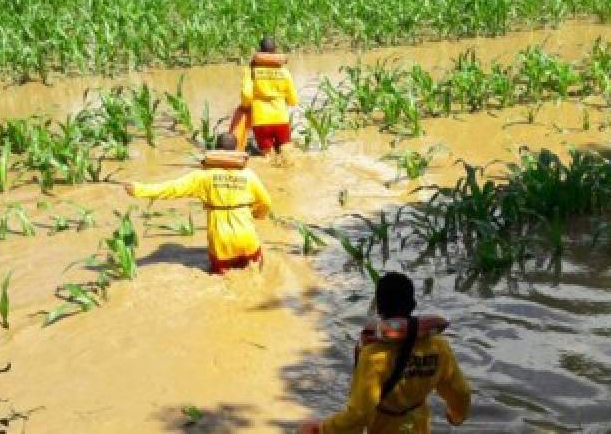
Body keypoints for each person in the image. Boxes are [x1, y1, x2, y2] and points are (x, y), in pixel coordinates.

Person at [298, 272, 472, 434]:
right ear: (412, 305)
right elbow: (461, 392)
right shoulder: (439, 347)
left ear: (379, 307)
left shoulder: (374, 355)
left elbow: (359, 415)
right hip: (419, 426)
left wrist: (321, 429)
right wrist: (456, 415)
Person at [123, 134, 271, 273]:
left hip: (221, 241)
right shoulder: (249, 175)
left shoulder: (202, 177)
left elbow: (171, 189)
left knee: (224, 279)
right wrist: (257, 214)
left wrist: (139, 189)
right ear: (236, 150)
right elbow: (266, 202)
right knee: (256, 272)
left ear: (216, 150)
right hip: (247, 237)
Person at [231, 35, 299, 155]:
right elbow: (293, 99)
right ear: (275, 52)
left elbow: (246, 94)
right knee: (286, 154)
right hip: (281, 118)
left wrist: (245, 107)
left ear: (260, 51)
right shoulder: (284, 71)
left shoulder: (251, 70)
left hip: (261, 120)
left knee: (268, 156)